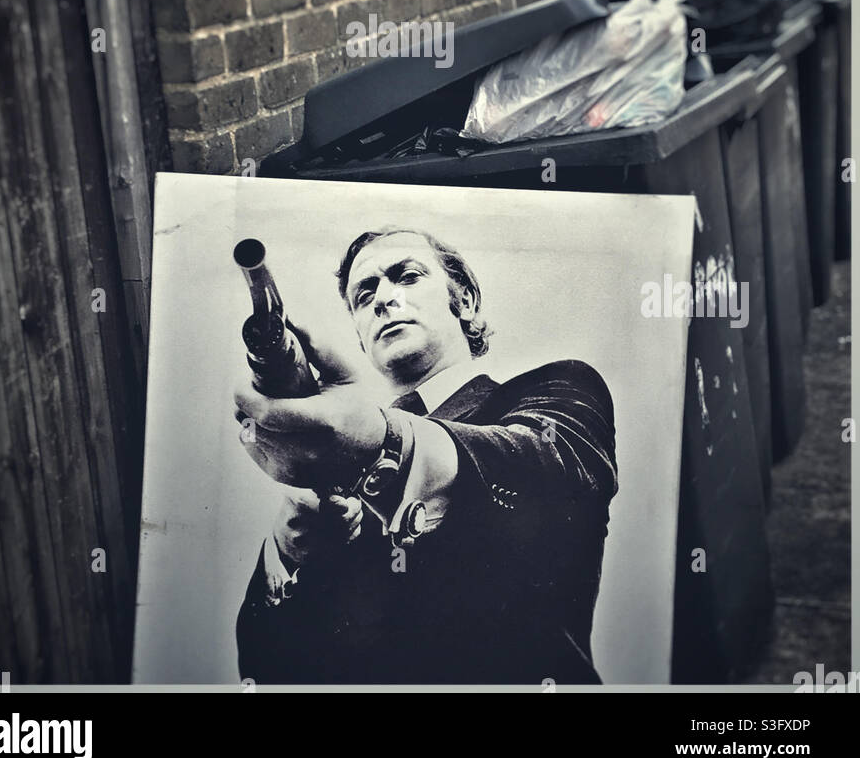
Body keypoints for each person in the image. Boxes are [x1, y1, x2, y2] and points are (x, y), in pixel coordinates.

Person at [234, 225, 618, 685]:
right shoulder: (342, 467)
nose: (383, 299)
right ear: (361, 339)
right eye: (364, 295)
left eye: (407, 276)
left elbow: (547, 472)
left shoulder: (557, 388)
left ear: (466, 301)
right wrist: (288, 551)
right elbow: (266, 673)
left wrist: (386, 443)